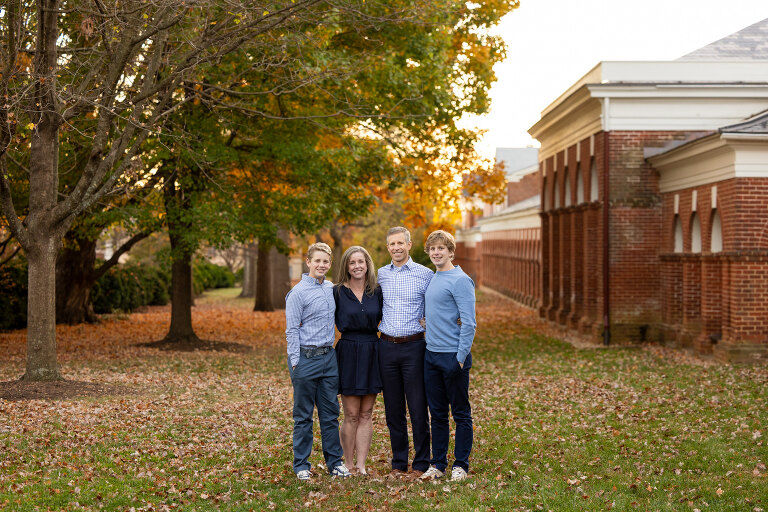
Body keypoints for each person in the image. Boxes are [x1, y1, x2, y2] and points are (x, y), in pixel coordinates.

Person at [285, 242, 351, 481]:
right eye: (317, 261)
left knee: (330, 414)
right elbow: (291, 330)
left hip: (328, 359)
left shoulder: (331, 289)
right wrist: (295, 362)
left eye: (326, 261)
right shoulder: (298, 293)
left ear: (329, 264)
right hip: (305, 359)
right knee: (303, 416)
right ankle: (301, 464)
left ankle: (335, 462)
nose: (321, 265)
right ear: (308, 262)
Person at [419, 230, 477, 482]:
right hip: (431, 355)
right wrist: (427, 324)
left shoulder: (460, 280)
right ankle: (438, 464)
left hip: (453, 356)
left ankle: (460, 465)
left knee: (461, 413)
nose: (436, 252)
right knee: (438, 413)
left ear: (451, 252)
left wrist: (461, 358)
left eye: (441, 248)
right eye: (432, 248)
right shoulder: (434, 277)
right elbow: (440, 312)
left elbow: (470, 323)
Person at [377, 226, 433, 477]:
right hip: (386, 347)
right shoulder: (379, 275)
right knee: (393, 408)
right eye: (392, 244)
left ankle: (422, 461)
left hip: (414, 347)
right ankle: (399, 461)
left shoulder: (425, 274)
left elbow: (440, 303)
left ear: (409, 245)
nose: (396, 248)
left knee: (418, 406)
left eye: (401, 243)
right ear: (387, 247)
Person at [333, 246, 383, 475]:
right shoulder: (336, 292)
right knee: (351, 414)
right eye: (352, 262)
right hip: (349, 352)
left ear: (367, 264)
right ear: (346, 266)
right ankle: (348, 464)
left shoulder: (377, 291)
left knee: (366, 413)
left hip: (373, 350)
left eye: (361, 262)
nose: (357, 266)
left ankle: (361, 465)